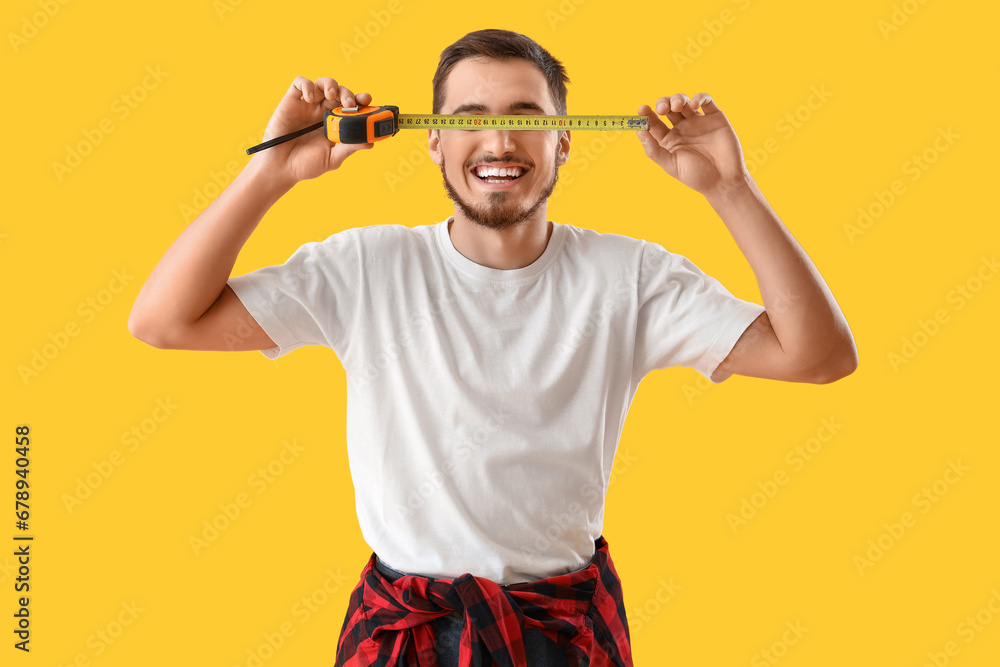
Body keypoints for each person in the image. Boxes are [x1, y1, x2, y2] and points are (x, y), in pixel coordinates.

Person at [128, 28, 857, 667]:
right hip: (404, 636)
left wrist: (731, 187)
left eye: (525, 119)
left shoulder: (627, 278)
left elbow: (818, 356)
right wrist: (272, 171)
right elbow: (163, 321)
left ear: (565, 140)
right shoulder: (366, 270)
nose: (500, 143)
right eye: (469, 119)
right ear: (434, 139)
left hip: (562, 635)